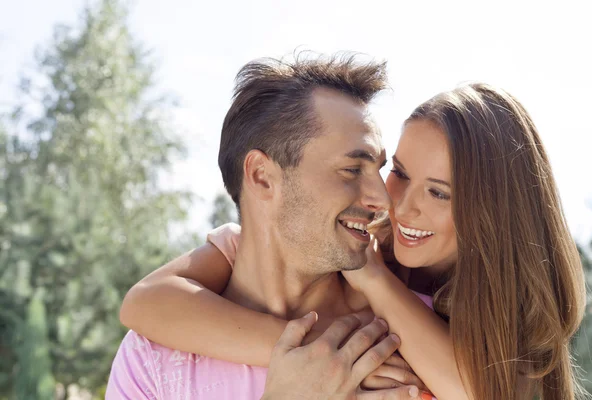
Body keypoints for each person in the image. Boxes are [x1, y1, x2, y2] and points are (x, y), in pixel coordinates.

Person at [121, 81, 588, 400]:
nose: (392, 203)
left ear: (492, 221)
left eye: (441, 193)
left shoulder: (436, 344)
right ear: (262, 177)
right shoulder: (157, 355)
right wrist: (317, 352)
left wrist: (373, 281)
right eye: (398, 173)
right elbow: (144, 301)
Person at [106, 53, 433, 400]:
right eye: (352, 170)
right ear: (262, 177)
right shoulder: (152, 360)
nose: (382, 201)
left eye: (379, 170)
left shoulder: (418, 342)